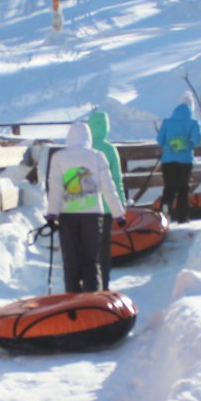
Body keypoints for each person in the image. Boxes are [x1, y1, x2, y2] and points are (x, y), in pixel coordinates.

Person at [45, 122, 126, 293]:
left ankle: (72, 300)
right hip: (92, 215)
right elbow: (108, 187)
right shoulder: (97, 156)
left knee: (71, 261)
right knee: (91, 260)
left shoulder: (58, 157)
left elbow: (56, 189)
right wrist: (118, 214)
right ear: (88, 138)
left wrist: (52, 213)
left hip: (67, 215)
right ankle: (92, 302)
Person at [85, 109, 126, 288]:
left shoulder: (83, 148)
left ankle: (89, 284)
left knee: (87, 246)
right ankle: (105, 284)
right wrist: (121, 203)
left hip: (85, 206)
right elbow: (117, 178)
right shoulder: (110, 149)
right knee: (104, 247)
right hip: (108, 207)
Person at [154, 99, 201, 223]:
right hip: (185, 161)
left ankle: (164, 213)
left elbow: (160, 140)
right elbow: (197, 141)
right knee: (183, 189)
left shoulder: (167, 122)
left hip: (168, 160)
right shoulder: (193, 123)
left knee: (169, 188)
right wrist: (187, 144)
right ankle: (182, 216)